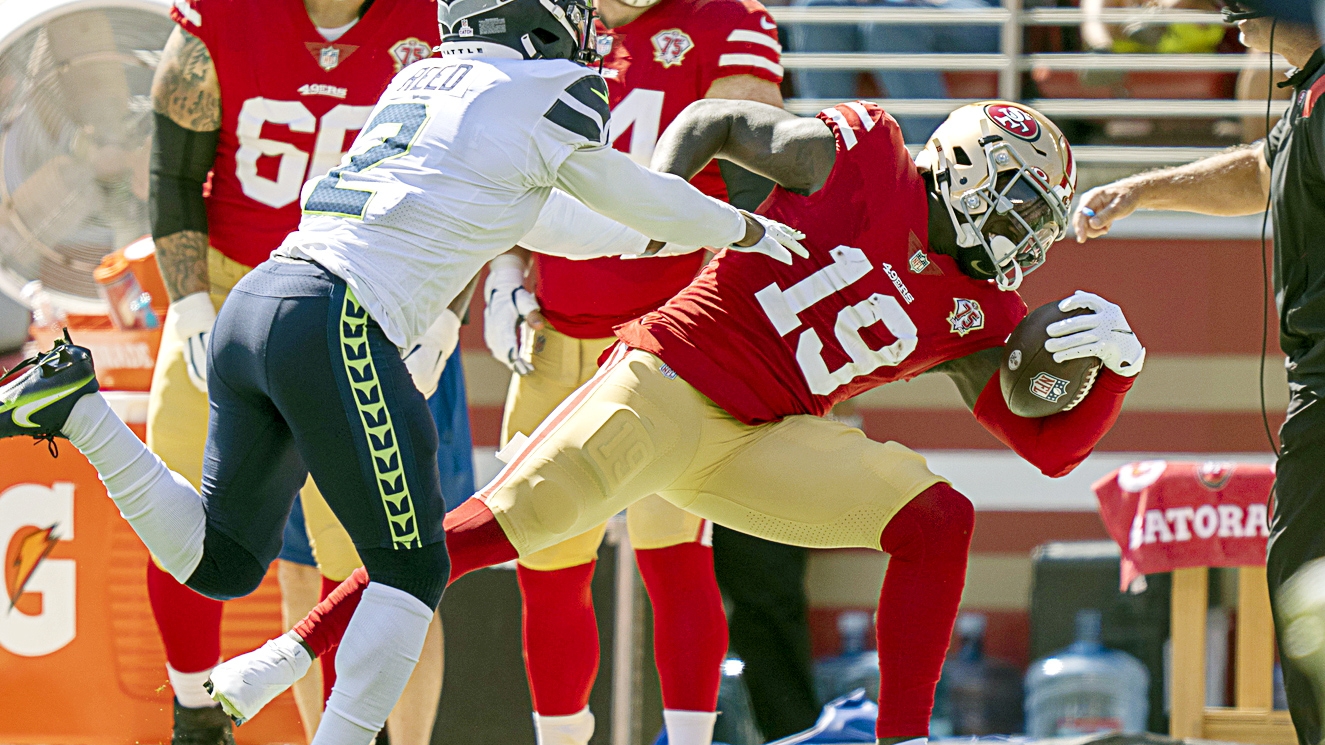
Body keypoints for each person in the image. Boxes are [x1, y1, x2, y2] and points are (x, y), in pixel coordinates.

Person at [209, 97, 1148, 745]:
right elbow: (718, 124)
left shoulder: (978, 311)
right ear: (966, 167)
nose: (1031, 229)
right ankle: (278, 656)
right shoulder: (862, 153)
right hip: (668, 378)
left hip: (764, 437)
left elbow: (1048, 446)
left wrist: (1114, 372)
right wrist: (650, 220)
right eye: (1023, 198)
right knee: (481, 534)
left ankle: (899, 735)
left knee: (938, 521)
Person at [0, 0, 804, 741]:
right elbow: (622, 188)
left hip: (262, 295)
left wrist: (654, 239)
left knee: (222, 561)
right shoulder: (542, 89)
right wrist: (738, 226)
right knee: (413, 568)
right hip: (339, 320)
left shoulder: (429, 82)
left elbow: (561, 219)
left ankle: (80, 412)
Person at [478, 0, 800, 741]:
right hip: (556, 334)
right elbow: (501, 162)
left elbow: (758, 181)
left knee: (675, 554)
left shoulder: (725, 20)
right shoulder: (541, 17)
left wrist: (709, 326)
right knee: (544, 559)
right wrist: (504, 267)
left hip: (666, 343)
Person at [142, 0, 449, 742]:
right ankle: (194, 709)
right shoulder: (221, 18)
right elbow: (172, 172)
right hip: (226, 289)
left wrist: (447, 304)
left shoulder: (438, 25)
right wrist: (186, 300)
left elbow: (467, 182)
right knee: (179, 513)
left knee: (385, 555)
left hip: (362, 299)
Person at [1069, 8, 1324, 743]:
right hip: (1316, 389)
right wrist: (1139, 190)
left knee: (1304, 584)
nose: (1229, 20)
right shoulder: (1309, 93)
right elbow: (1256, 168)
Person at [787, 0, 1000, 143]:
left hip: (971, 8)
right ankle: (822, 161)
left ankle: (936, 166)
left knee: (891, 20)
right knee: (817, 8)